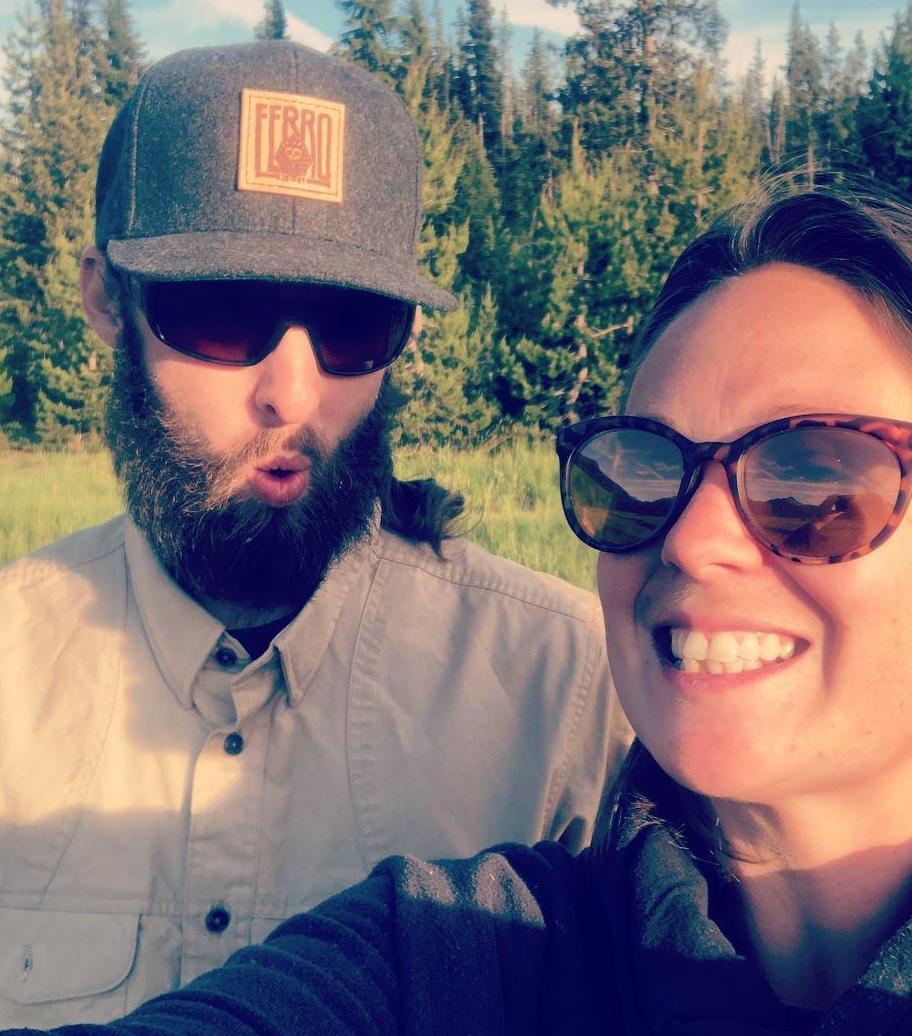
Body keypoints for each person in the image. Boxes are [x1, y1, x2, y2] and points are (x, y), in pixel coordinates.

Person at [10, 180, 912, 1035]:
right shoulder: (447, 952)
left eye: (815, 479)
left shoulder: (548, 668)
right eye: (642, 472)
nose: (689, 538)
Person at [0, 41, 629, 1026]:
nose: (292, 396)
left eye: (350, 326)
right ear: (106, 301)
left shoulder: (564, 696)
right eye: (221, 311)